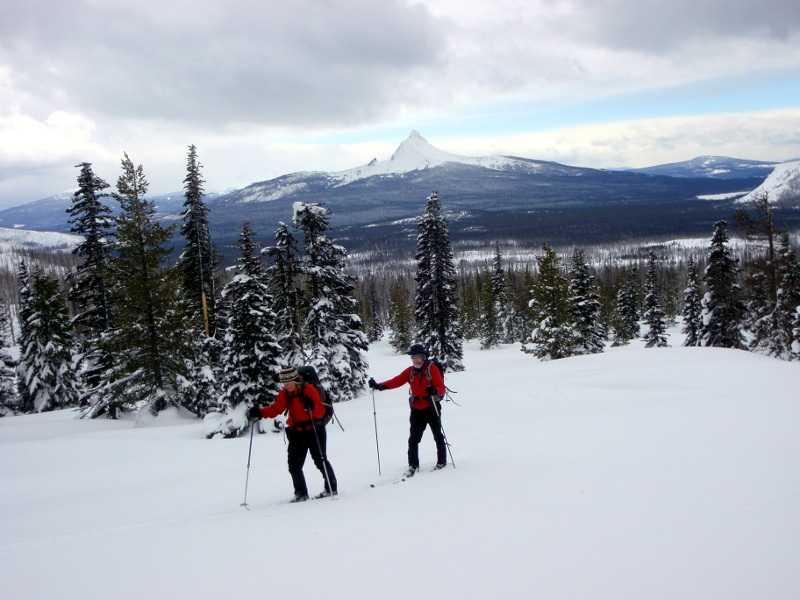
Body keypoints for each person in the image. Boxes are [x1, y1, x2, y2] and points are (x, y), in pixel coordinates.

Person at [249, 366, 337, 502]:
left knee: (320, 460)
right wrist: (260, 413)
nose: (286, 386)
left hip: (314, 429)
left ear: (295, 380)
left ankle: (331, 488)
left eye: (288, 383)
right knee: (294, 465)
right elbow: (276, 409)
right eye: (284, 383)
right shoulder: (285, 393)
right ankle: (301, 493)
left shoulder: (309, 389)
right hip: (296, 432)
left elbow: (320, 411)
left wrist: (312, 406)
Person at [368, 344, 446, 477]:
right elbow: (397, 380)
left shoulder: (431, 369)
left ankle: (442, 461)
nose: (415, 360)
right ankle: (413, 465)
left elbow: (441, 387)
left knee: (437, 435)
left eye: (418, 358)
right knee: (413, 439)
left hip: (431, 406)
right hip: (416, 409)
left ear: (423, 357)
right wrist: (380, 386)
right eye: (413, 357)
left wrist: (435, 391)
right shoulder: (410, 371)